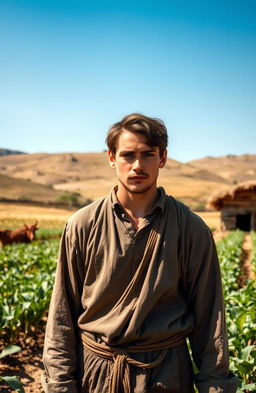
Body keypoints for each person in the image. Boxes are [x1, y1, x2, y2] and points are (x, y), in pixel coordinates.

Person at [42, 113, 237, 393]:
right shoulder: (82, 225)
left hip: (166, 375)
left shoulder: (191, 229)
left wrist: (215, 387)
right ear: (112, 157)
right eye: (128, 155)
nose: (137, 166)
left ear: (163, 158)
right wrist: (60, 385)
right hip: (97, 376)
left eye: (148, 154)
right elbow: (62, 315)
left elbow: (210, 321)